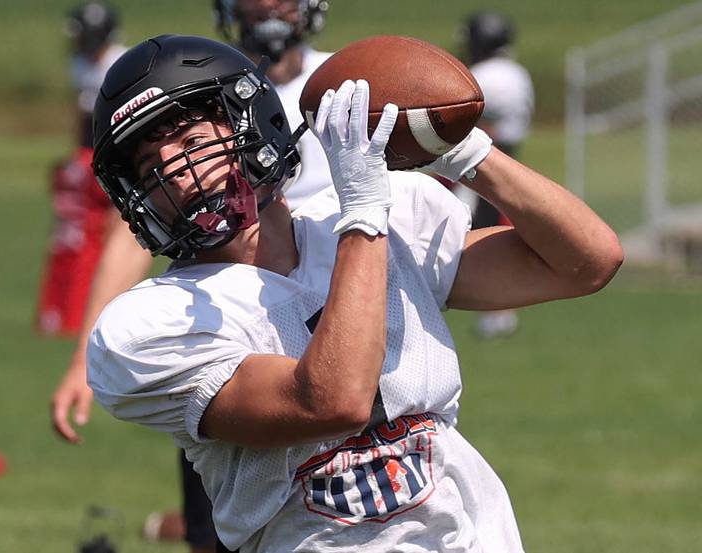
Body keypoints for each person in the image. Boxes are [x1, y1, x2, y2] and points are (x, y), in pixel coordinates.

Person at [85, 34, 623, 552]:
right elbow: (331, 402)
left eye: (194, 143)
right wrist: (364, 213)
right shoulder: (151, 325)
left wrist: (467, 155)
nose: (177, 178)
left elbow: (586, 262)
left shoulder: (380, 219)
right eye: (152, 169)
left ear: (255, 126)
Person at [48, 1, 332, 550]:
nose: (268, 6)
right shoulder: (191, 85)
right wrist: (82, 355)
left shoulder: (350, 81)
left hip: (341, 301)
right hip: (230, 328)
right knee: (224, 529)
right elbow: (131, 239)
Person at [35, 1, 127, 335]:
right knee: (82, 233)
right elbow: (82, 118)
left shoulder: (119, 64)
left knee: (115, 234)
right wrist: (75, 157)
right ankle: (80, 309)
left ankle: (108, 305)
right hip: (90, 158)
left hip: (116, 158)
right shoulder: (81, 65)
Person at [454, 10, 535, 339]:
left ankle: (495, 310)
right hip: (512, 159)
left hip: (482, 160)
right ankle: (500, 310)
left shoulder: (485, 75)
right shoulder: (517, 72)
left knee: (480, 234)